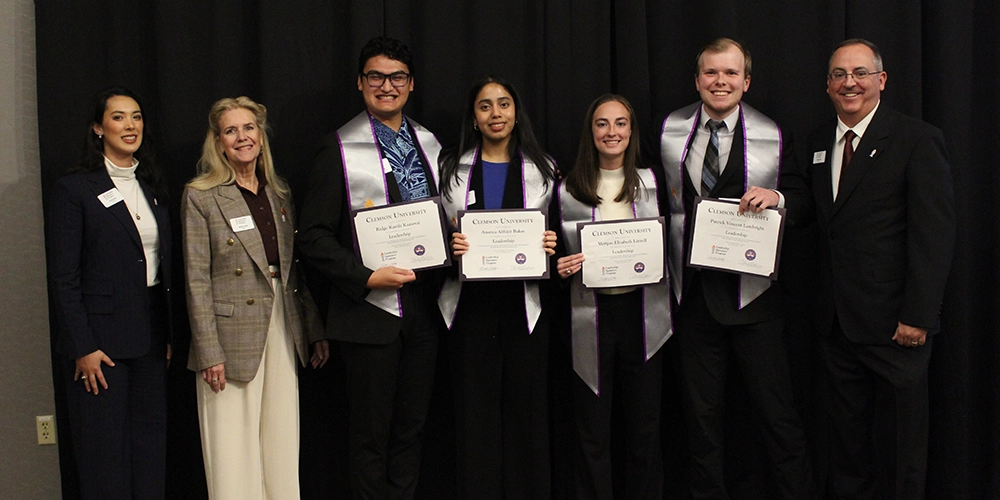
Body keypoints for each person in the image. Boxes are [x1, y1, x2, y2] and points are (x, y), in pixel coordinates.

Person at [658, 38, 815, 499]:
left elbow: (805, 202)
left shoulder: (773, 134)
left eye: (730, 74)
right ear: (697, 80)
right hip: (693, 301)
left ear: (746, 81)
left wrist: (779, 198)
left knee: (777, 417)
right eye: (711, 73)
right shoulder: (670, 131)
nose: (720, 82)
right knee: (701, 424)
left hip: (755, 301)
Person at [804, 39, 955, 499]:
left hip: (896, 327)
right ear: (827, 85)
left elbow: (934, 235)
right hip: (837, 325)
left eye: (860, 73)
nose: (849, 83)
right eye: (838, 74)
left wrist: (919, 317)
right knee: (848, 449)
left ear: (881, 81)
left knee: (901, 449)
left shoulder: (916, 139)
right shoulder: (816, 143)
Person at [297, 36, 444, 499]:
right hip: (368, 317)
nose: (387, 86)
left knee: (411, 432)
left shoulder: (430, 146)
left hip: (424, 310)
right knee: (369, 441)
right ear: (360, 83)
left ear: (411, 83)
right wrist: (366, 278)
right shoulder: (336, 149)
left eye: (397, 76)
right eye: (376, 76)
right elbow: (314, 238)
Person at [182, 96, 328, 499]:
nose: (242, 137)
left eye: (249, 128)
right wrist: (209, 350)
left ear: (261, 137)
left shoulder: (279, 194)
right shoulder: (201, 195)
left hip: (282, 323)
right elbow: (196, 279)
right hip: (228, 337)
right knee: (232, 448)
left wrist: (313, 329)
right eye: (231, 130)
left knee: (281, 441)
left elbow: (293, 270)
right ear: (218, 142)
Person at [47, 86, 172, 499]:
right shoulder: (76, 189)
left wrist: (170, 333)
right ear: (98, 128)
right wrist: (83, 346)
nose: (129, 125)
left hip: (152, 339)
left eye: (136, 116)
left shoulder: (152, 184)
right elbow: (65, 278)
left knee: (149, 448)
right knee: (104, 456)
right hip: (101, 347)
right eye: (118, 117)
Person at [438, 75, 557, 499]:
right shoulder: (450, 169)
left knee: (527, 412)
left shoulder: (545, 170)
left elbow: (561, 237)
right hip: (468, 306)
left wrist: (551, 241)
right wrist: (448, 245)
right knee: (475, 414)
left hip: (525, 306)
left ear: (516, 111)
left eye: (503, 104)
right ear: (473, 116)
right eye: (485, 106)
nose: (495, 114)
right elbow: (435, 236)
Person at [555, 94, 672, 500]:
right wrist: (561, 267)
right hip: (591, 315)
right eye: (602, 124)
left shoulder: (653, 183)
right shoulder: (568, 188)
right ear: (591, 131)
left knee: (644, 427)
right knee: (592, 429)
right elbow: (553, 254)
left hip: (643, 314)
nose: (612, 132)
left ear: (631, 131)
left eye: (621, 123)